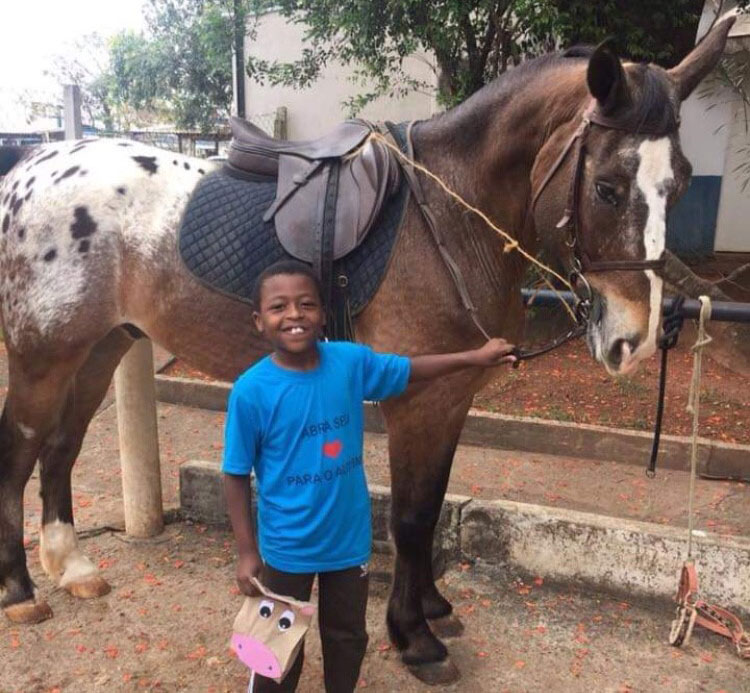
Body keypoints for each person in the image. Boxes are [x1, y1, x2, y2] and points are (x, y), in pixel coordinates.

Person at [222, 260, 516, 692]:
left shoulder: (349, 363)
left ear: (323, 314)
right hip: (287, 548)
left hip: (347, 543)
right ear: (259, 321)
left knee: (347, 637)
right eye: (279, 307)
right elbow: (234, 473)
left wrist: (475, 357)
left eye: (306, 304)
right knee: (276, 647)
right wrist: (248, 551)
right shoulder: (251, 391)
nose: (294, 315)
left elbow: (409, 369)